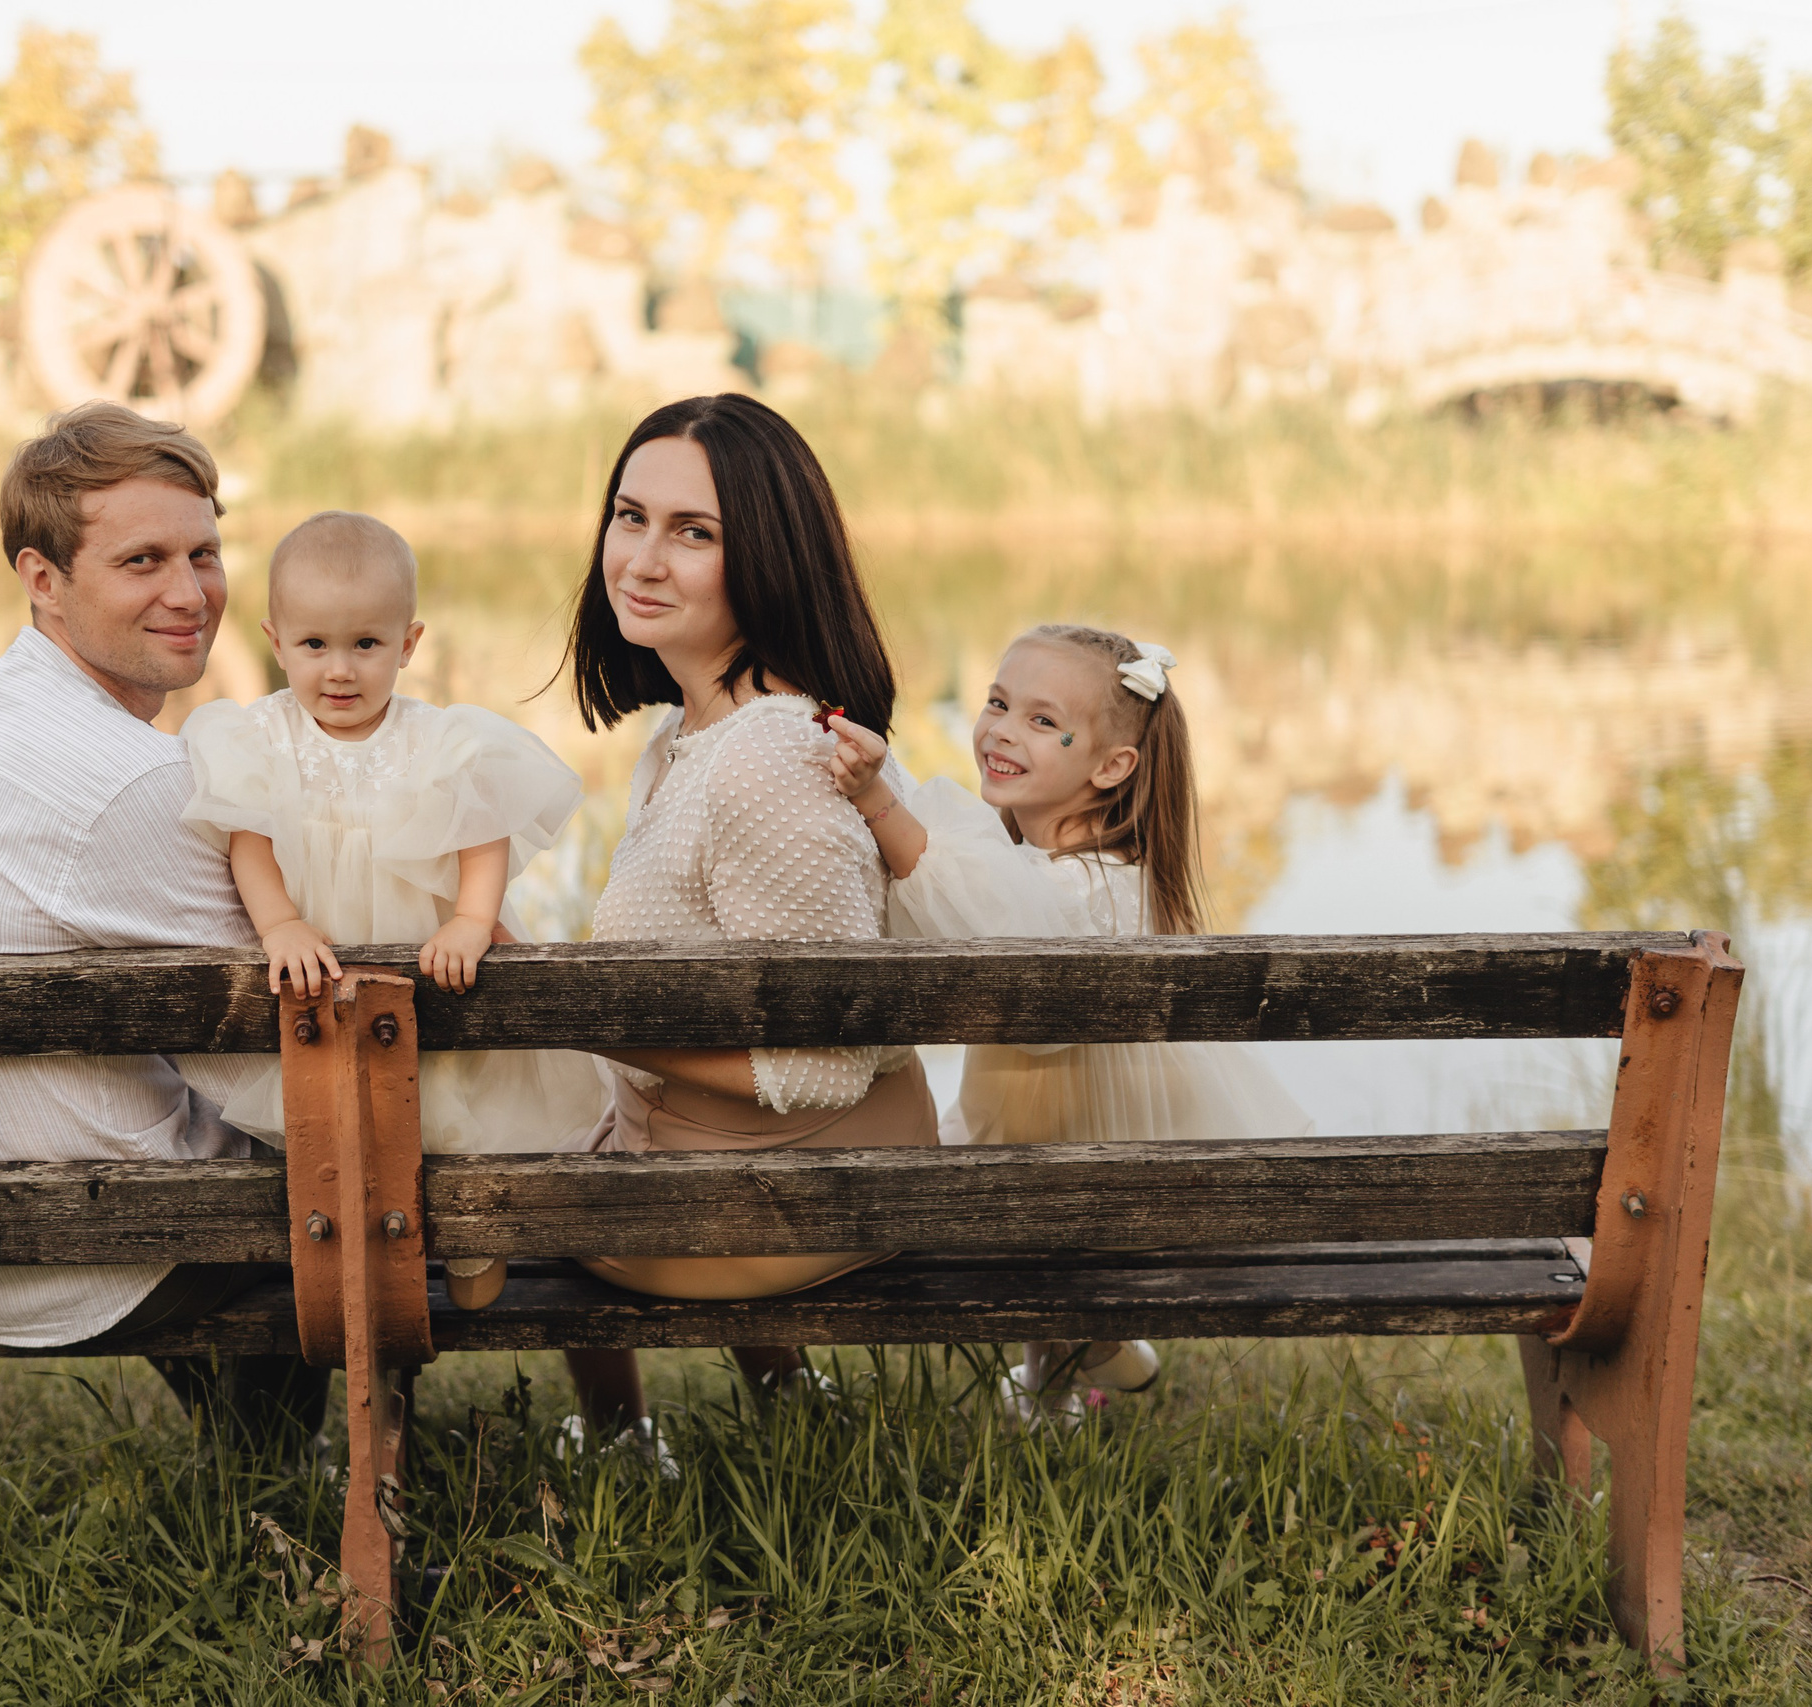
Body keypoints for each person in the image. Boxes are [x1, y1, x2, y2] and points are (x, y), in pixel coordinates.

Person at [0, 400, 323, 1442]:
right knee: (348, 1166)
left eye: (204, 552)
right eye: (143, 561)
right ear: (42, 578)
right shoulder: (132, 782)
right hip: (65, 1250)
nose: (191, 593)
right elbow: (280, 1060)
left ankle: (258, 1479)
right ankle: (295, 1502)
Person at [554, 392, 940, 1437]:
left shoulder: (769, 760)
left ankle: (617, 1442)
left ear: (766, 558)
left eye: (693, 533)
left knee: (476, 1177)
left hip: (797, 1197)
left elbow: (825, 1064)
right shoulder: (689, 734)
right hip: (740, 1162)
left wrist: (603, 1025)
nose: (639, 559)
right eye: (629, 517)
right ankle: (780, 1411)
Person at [825, 623, 1313, 1420]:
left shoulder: (1080, 891)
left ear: (1113, 766)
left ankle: (1088, 1345)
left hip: (1082, 1172)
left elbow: (982, 921)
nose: (1004, 730)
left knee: (1011, 1203)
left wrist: (876, 799)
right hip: (1064, 1157)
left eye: (1045, 722)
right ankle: (1066, 1376)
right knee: (1031, 1186)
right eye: (998, 703)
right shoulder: (1089, 870)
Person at [175, 511, 607, 1306]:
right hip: (324, 972)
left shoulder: (438, 738)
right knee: (342, 1119)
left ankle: (472, 1230)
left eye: (366, 645)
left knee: (453, 1102)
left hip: (427, 967)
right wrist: (281, 925)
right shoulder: (260, 737)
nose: (339, 670)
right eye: (314, 646)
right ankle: (360, 1245)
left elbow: (485, 833)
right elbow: (250, 843)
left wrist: (473, 920)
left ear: (407, 644)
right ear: (276, 640)